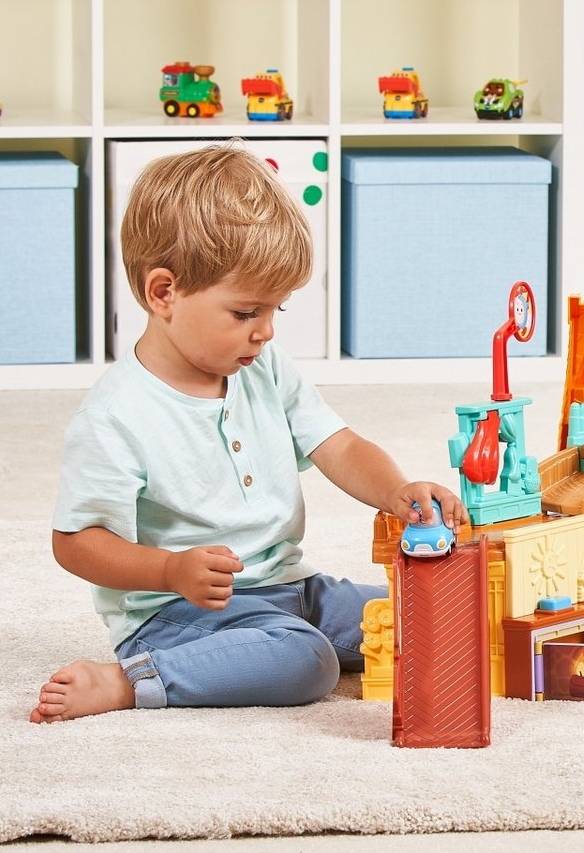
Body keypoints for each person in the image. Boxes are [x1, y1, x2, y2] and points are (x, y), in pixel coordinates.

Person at [30, 143, 465, 722]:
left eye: (275, 312)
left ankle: (280, 636)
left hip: (293, 587)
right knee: (307, 663)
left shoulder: (263, 368)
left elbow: (337, 443)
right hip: (181, 612)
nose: (263, 333)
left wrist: (396, 490)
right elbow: (76, 542)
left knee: (429, 611)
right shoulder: (115, 417)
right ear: (164, 293)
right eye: (244, 314)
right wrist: (169, 570)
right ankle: (129, 682)